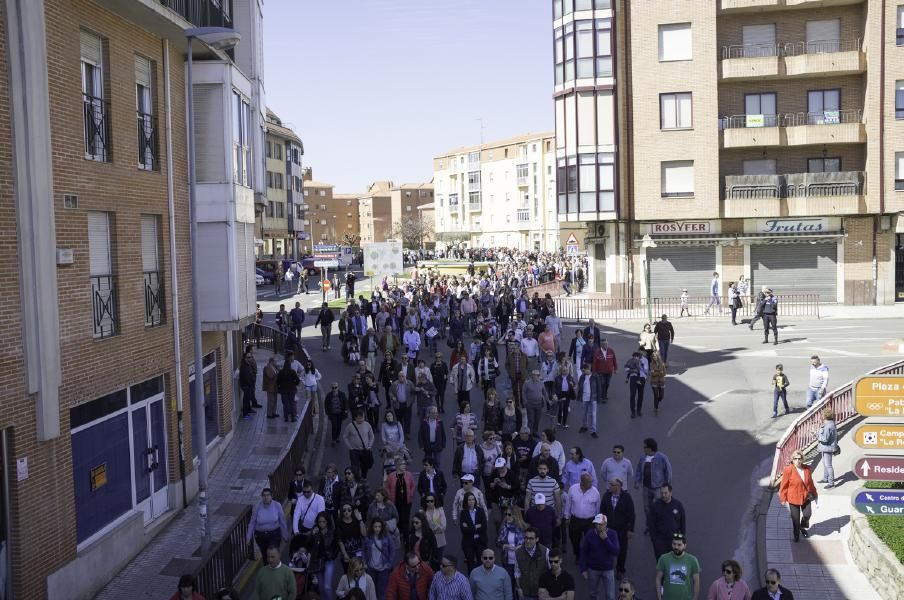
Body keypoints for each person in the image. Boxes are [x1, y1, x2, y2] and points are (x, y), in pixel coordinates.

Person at [779, 450, 818, 542]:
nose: (797, 461)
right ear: (792, 460)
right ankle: (796, 536)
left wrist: (815, 494)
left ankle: (803, 527)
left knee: (807, 514)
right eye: (795, 459)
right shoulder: (788, 470)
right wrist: (783, 498)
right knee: (795, 520)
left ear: (802, 459)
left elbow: (810, 483)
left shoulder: (807, 469)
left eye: (799, 458)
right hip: (793, 498)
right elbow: (783, 485)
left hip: (805, 497)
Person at [600, 477, 634, 580]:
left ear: (618, 487)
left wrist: (630, 530)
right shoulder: (606, 496)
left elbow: (631, 515)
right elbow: (602, 511)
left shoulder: (627, 498)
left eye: (612, 485)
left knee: (622, 551)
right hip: (608, 529)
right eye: (610, 484)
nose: (609, 486)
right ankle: (606, 568)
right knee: (606, 548)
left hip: (622, 530)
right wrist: (601, 525)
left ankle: (620, 570)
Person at [579, 514, 619, 600]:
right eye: (596, 524)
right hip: (593, 570)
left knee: (610, 596)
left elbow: (615, 551)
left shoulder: (612, 534)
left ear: (605, 524)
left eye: (600, 524)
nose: (598, 526)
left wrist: (606, 539)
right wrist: (583, 569)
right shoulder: (590, 534)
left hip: (608, 570)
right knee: (593, 594)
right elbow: (583, 552)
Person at [563, 473, 600, 559]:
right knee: (574, 539)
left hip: (590, 521)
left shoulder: (595, 492)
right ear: (582, 482)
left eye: (591, 481)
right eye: (589, 482)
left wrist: (598, 522)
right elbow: (568, 504)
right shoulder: (572, 489)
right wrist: (566, 517)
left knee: (590, 540)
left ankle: (587, 556)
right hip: (576, 520)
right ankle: (578, 553)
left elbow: (598, 508)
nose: (592, 484)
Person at [247, 487, 289, 561]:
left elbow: (282, 521)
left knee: (272, 553)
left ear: (272, 496)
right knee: (265, 554)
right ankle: (267, 569)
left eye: (268, 495)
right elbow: (252, 523)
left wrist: (285, 535)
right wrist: (248, 537)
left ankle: (275, 568)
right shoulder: (257, 507)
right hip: (261, 536)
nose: (266, 497)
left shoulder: (277, 505)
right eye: (264, 495)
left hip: (274, 534)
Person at [655, 533, 700, 600]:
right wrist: (659, 598)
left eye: (679, 545)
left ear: (685, 546)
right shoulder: (664, 558)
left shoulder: (692, 560)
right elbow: (658, 579)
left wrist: (695, 599)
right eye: (674, 544)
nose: (676, 547)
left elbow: (696, 581)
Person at [649, 484, 687, 560]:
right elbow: (651, 524)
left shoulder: (678, 505)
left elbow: (682, 521)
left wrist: (682, 537)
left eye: (665, 493)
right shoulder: (655, 506)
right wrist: (654, 540)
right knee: (661, 563)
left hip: (674, 541)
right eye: (662, 493)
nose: (663, 495)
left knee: (674, 562)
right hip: (660, 541)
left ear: (670, 492)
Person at [309, 511, 340, 600]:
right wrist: (312, 535)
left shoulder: (332, 532)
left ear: (327, 522)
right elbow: (308, 545)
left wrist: (333, 556)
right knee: (321, 588)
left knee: (327, 586)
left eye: (324, 522)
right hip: (318, 561)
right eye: (320, 522)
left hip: (328, 561)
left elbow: (336, 546)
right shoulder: (315, 531)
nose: (322, 524)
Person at [363, 518, 396, 599]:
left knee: (381, 591)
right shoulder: (369, 537)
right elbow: (363, 549)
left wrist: (389, 564)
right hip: (371, 567)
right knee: (372, 590)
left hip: (383, 567)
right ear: (372, 527)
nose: (377, 529)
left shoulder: (387, 536)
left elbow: (392, 550)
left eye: (379, 526)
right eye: (375, 527)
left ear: (382, 527)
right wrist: (364, 563)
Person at [385, 460, 417, 542]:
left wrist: (411, 494)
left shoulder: (409, 474)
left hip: (406, 502)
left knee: (406, 519)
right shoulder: (391, 476)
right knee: (397, 518)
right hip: (395, 502)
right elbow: (387, 486)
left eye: (405, 464)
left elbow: (413, 485)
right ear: (397, 465)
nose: (404, 466)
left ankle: (406, 539)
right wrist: (389, 496)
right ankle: (398, 534)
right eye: (402, 464)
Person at [459, 492, 488, 573]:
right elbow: (463, 530)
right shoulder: (463, 513)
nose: (471, 501)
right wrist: (476, 526)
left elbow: (484, 527)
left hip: (480, 540)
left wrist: (469, 527)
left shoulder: (480, 511)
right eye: (469, 500)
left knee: (481, 561)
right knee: (470, 562)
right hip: (468, 542)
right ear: (466, 501)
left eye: (473, 499)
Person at [344, 410, 376, 479]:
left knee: (365, 467)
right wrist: (350, 447)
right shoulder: (350, 426)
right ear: (355, 418)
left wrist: (369, 445)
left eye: (362, 418)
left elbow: (372, 436)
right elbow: (345, 436)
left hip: (365, 450)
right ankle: (356, 480)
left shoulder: (367, 425)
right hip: (354, 451)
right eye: (359, 418)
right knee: (355, 468)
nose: (361, 419)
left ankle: (364, 478)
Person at [817, 408, 838, 488]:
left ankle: (831, 483)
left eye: (822, 415)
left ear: (825, 416)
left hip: (827, 448)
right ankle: (825, 478)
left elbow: (825, 439)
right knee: (825, 464)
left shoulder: (827, 426)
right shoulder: (832, 424)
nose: (821, 416)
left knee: (828, 465)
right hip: (828, 447)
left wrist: (816, 435)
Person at [424, 493, 448, 562]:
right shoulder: (423, 512)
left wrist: (432, 529)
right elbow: (423, 528)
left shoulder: (440, 510)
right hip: (428, 541)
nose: (429, 503)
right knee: (428, 560)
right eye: (427, 501)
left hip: (440, 540)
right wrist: (437, 527)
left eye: (432, 501)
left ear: (435, 501)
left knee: (438, 560)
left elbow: (443, 526)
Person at [592, 339, 617, 403]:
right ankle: (604, 397)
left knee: (607, 384)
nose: (606, 345)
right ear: (601, 345)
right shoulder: (597, 352)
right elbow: (594, 363)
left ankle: (604, 393)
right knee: (602, 384)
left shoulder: (611, 351)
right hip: (601, 372)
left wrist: (615, 368)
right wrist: (594, 372)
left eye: (606, 344)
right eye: (604, 344)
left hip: (609, 371)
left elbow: (614, 360)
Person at [624, 352, 647, 419]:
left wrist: (644, 375)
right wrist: (633, 370)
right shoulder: (630, 361)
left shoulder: (643, 361)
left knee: (640, 395)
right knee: (632, 395)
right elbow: (626, 368)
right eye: (634, 357)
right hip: (633, 378)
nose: (635, 358)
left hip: (641, 378)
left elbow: (646, 370)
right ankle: (633, 412)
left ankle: (639, 410)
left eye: (636, 357)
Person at [239, 350, 259, 418]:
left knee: (248, 398)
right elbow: (246, 377)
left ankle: (248, 410)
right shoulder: (244, 366)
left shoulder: (248, 364)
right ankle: (245, 414)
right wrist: (250, 383)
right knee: (246, 399)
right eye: (248, 357)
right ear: (245, 358)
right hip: (246, 385)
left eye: (250, 357)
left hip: (248, 384)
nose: (250, 358)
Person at [649, 352, 667, 416]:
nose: (654, 358)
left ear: (658, 357)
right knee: (656, 395)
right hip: (654, 382)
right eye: (653, 357)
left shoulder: (662, 363)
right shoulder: (651, 364)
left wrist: (656, 372)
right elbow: (652, 374)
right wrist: (660, 372)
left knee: (661, 396)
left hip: (661, 381)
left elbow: (664, 373)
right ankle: (656, 408)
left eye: (655, 356)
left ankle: (656, 403)